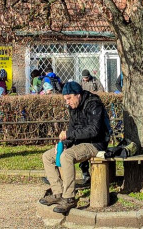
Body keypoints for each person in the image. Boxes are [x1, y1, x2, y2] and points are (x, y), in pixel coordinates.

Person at [39, 81, 108, 215]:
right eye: (65, 100)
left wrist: (69, 135)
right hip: (80, 143)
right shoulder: (73, 107)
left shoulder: (94, 104)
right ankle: (58, 192)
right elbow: (73, 128)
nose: (68, 102)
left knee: (66, 156)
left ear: (78, 95)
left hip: (95, 143)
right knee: (48, 156)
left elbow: (94, 130)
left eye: (69, 98)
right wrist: (65, 143)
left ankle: (69, 197)